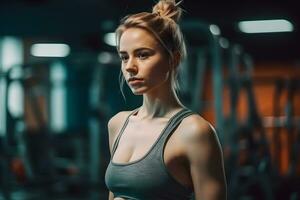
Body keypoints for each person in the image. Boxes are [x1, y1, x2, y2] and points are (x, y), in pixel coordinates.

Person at [104, 0, 227, 199]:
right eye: (124, 57)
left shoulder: (194, 132)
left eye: (143, 55)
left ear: (174, 59)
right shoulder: (118, 124)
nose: (129, 67)